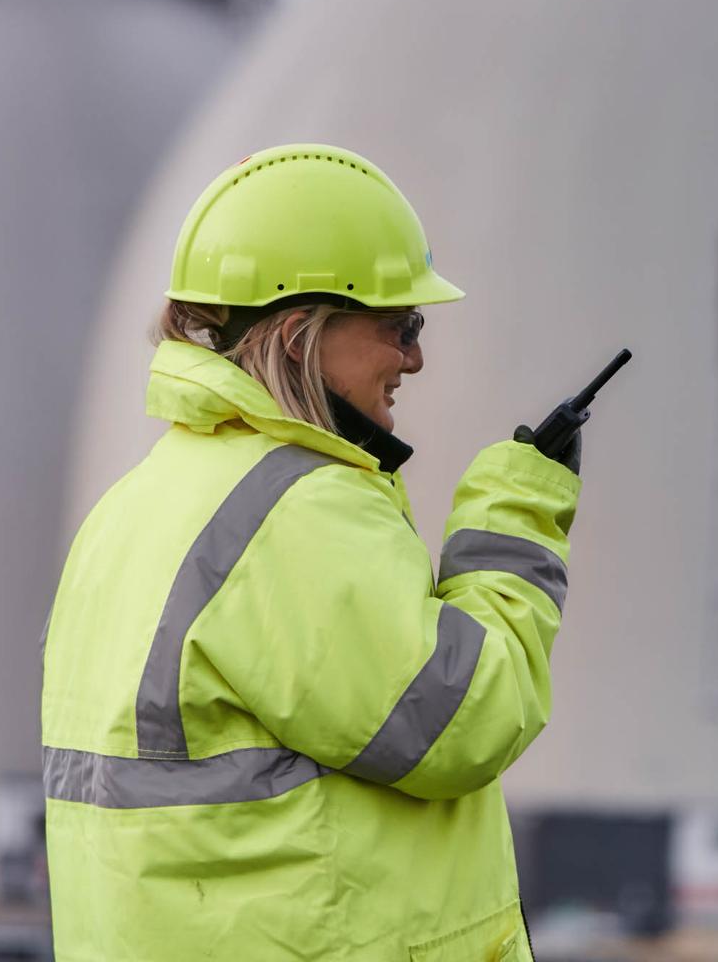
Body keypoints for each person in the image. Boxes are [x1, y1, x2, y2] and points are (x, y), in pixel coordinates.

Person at [41, 144, 582, 961]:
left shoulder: (135, 508)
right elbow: (463, 718)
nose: (415, 358)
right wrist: (517, 517)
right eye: (401, 326)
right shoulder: (294, 512)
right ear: (300, 337)